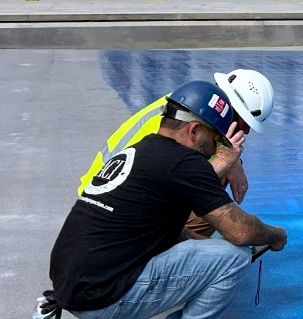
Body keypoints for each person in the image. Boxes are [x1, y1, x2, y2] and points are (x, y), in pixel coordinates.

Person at [50, 80, 287, 319]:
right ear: (194, 131)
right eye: (215, 137)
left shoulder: (143, 150)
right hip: (100, 296)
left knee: (180, 242)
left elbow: (163, 229)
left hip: (75, 288)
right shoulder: (183, 161)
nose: (217, 146)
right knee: (234, 255)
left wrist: (199, 253)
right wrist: (274, 235)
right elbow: (240, 232)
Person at [76, 69, 274, 231]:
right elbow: (187, 181)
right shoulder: (181, 129)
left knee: (218, 171)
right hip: (111, 209)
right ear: (229, 107)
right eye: (243, 122)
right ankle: (172, 258)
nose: (246, 131)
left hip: (101, 198)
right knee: (212, 196)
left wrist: (234, 163)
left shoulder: (186, 107)